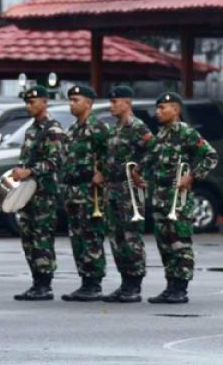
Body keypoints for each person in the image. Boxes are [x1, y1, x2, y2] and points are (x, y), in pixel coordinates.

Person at [138, 92, 218, 305]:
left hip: (178, 198)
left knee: (180, 243)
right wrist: (141, 175)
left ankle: (181, 287)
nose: (158, 112)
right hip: (160, 198)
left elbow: (211, 156)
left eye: (163, 108)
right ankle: (170, 285)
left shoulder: (186, 133)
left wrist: (191, 176)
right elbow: (151, 161)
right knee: (164, 243)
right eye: (158, 108)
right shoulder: (160, 135)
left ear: (176, 110)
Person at [12, 85, 66, 301]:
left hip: (44, 193)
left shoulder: (53, 129)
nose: (28, 106)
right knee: (28, 237)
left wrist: (30, 171)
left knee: (42, 237)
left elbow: (56, 161)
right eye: (26, 102)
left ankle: (45, 284)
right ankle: (36, 280)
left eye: (32, 102)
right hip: (27, 193)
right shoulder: (31, 130)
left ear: (44, 102)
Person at [101, 85, 153, 303]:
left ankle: (134, 284)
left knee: (131, 237)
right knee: (116, 237)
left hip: (129, 190)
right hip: (112, 189)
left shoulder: (137, 127)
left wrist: (140, 172)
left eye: (115, 102)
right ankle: (125, 282)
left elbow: (154, 152)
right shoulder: (116, 129)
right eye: (111, 102)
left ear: (127, 103)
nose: (111, 106)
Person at [59, 84, 111, 302]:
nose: (72, 104)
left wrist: (103, 173)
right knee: (77, 238)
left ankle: (94, 283)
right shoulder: (72, 130)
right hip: (73, 192)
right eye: (70, 100)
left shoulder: (97, 128)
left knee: (91, 237)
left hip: (91, 194)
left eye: (76, 100)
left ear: (88, 103)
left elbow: (111, 154)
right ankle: (84, 281)